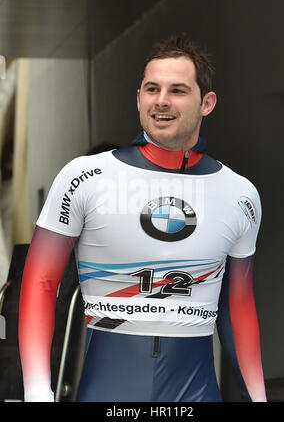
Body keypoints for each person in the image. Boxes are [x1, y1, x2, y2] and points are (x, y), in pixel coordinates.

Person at [18, 34, 267, 402]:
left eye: (178, 90)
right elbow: (40, 282)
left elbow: (238, 307)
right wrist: (37, 391)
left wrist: (257, 398)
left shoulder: (239, 193)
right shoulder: (86, 176)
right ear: (139, 98)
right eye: (152, 89)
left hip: (196, 393)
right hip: (107, 391)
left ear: (207, 103)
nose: (162, 100)